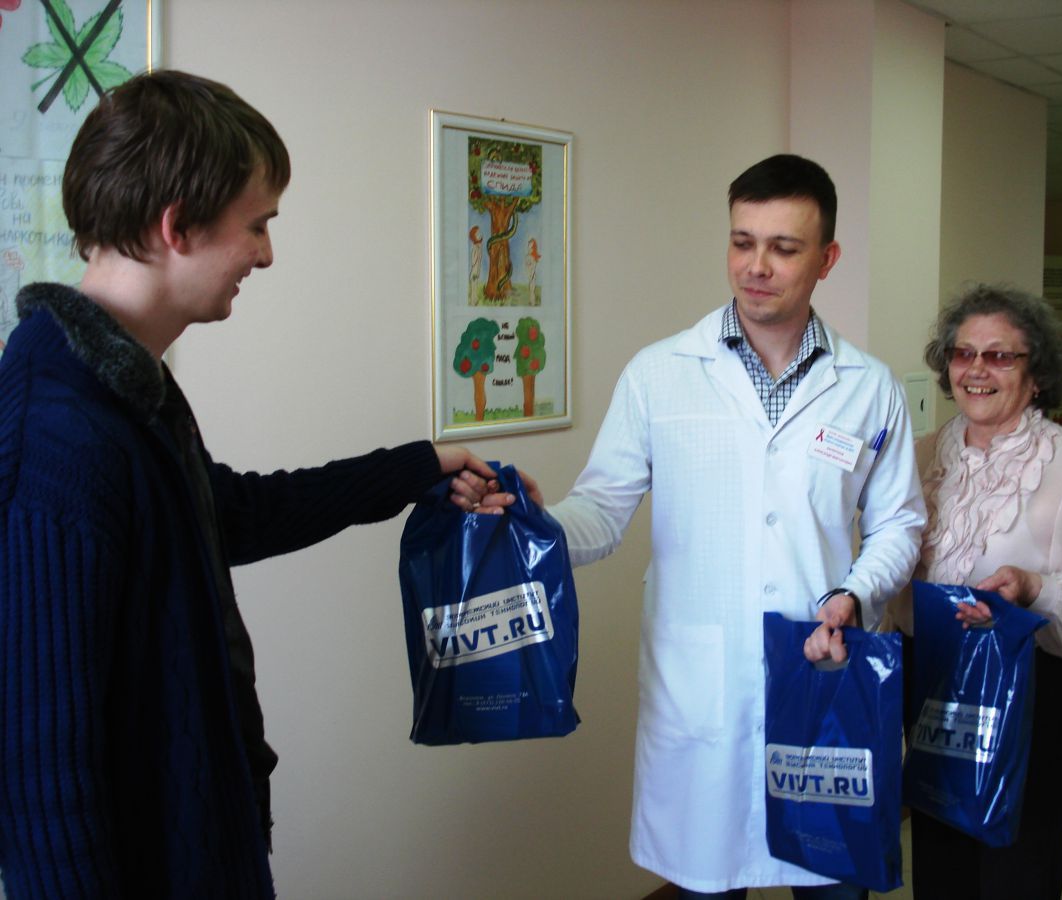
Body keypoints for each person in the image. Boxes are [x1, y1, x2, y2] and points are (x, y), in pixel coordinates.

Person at [0, 70, 503, 898]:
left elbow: (228, 512)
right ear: (178, 226)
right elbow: (40, 776)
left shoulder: (122, 385)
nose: (266, 254)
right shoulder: (56, 432)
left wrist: (415, 467)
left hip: (209, 843)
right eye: (257, 225)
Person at [545, 154, 926, 898]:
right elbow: (600, 511)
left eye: (783, 248)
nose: (756, 266)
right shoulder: (659, 373)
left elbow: (898, 524)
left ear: (827, 260)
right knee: (706, 881)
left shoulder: (868, 386)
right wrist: (529, 528)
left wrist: (855, 593)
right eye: (742, 241)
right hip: (702, 689)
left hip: (822, 669)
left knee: (831, 880)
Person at [887, 284, 1062, 900]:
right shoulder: (921, 456)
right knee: (941, 864)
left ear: (1037, 372)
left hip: (1031, 692)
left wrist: (1033, 588)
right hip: (936, 682)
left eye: (1000, 356)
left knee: (1017, 869)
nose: (976, 369)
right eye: (963, 353)